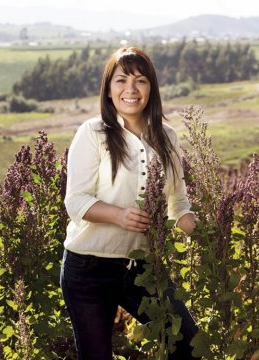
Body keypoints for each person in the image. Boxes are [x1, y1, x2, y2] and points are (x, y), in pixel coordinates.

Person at [60, 46, 199, 359]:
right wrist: (119, 216)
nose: (131, 89)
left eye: (140, 80)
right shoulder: (93, 133)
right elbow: (76, 201)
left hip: (142, 266)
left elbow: (177, 204)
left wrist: (208, 235)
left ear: (152, 88)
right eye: (121, 80)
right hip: (88, 267)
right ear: (109, 90)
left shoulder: (167, 137)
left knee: (187, 343)